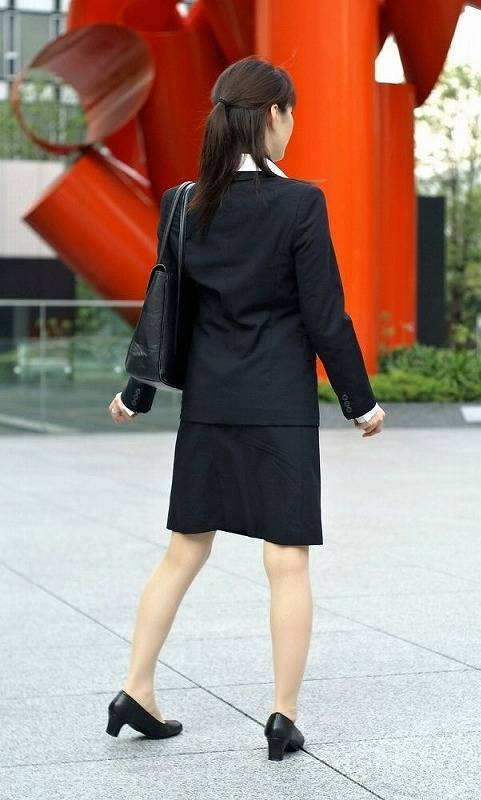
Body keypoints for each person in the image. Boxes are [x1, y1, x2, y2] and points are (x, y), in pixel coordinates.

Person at [106, 55, 385, 761]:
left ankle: (135, 687)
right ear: (272, 116)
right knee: (285, 559)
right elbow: (325, 316)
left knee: (183, 549)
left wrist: (137, 392)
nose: (292, 126)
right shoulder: (300, 203)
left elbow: (168, 306)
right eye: (291, 114)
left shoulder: (184, 203)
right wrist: (360, 403)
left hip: (209, 403)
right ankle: (282, 716)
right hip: (277, 405)